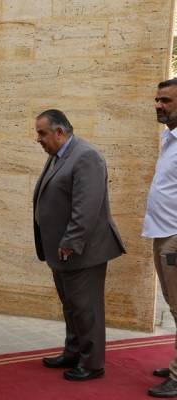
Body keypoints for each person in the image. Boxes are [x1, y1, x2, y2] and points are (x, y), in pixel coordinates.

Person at [33, 109, 125, 381]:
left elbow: (86, 207)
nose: (38, 139)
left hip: (82, 251)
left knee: (86, 309)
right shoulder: (58, 154)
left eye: (42, 133)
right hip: (62, 250)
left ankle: (93, 363)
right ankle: (73, 352)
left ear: (60, 132)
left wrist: (71, 241)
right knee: (72, 306)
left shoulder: (86, 156)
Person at [143, 78, 177, 398]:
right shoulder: (170, 137)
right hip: (162, 232)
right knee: (172, 303)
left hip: (175, 236)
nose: (158, 105)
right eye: (157, 100)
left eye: (165, 100)